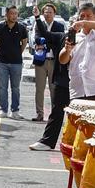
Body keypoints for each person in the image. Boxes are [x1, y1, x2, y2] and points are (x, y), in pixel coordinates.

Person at [31, 11, 73, 151]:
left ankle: (78, 146)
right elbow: (44, 32)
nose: (78, 26)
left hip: (84, 86)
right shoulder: (62, 37)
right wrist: (37, 17)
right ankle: (48, 141)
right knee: (57, 111)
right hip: (63, 81)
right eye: (75, 23)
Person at [66, 1, 95, 102]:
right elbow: (63, 59)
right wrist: (67, 50)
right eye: (82, 16)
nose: (85, 18)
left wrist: (83, 23)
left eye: (88, 16)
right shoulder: (76, 37)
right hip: (78, 89)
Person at [0, 6, 29, 120]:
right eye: (12, 13)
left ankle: (15, 111)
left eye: (16, 14)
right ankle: (3, 110)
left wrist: (18, 53)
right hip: (2, 62)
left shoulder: (21, 28)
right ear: (7, 15)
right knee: (3, 88)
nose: (14, 16)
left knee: (15, 88)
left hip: (17, 62)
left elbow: (24, 42)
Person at [30, 2, 63, 121]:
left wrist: (44, 43)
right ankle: (39, 113)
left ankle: (54, 114)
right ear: (42, 13)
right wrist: (43, 41)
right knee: (39, 88)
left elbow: (57, 40)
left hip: (54, 61)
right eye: (46, 12)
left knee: (54, 88)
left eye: (50, 12)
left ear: (54, 13)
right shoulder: (39, 24)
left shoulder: (59, 26)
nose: (48, 14)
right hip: (41, 61)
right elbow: (37, 38)